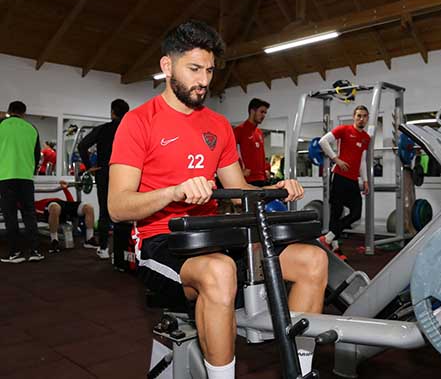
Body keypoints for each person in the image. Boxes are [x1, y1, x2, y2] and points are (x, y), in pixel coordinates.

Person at [108, 20, 328, 379]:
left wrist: (276, 189)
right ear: (167, 66)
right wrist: (174, 191)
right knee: (219, 270)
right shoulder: (138, 122)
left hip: (215, 236)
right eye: (194, 69)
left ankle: (299, 372)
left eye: (209, 71)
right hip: (161, 241)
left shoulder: (218, 125)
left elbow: (239, 190)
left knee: (313, 261)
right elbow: (117, 206)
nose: (204, 80)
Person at [77, 98, 130, 259]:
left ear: (112, 112)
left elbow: (82, 145)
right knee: (125, 211)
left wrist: (89, 166)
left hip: (105, 173)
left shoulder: (102, 129)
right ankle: (123, 251)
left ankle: (104, 248)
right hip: (126, 174)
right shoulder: (131, 129)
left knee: (104, 212)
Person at [318, 105, 371, 260]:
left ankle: (327, 238)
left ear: (367, 118)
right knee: (336, 213)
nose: (361, 119)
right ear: (354, 116)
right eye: (359, 115)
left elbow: (362, 160)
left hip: (353, 180)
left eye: (364, 116)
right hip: (339, 177)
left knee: (356, 213)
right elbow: (323, 141)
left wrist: (365, 180)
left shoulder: (366, 138)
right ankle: (336, 249)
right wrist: (336, 159)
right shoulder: (344, 130)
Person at [0, 101, 44, 263]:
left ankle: (14, 252)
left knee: (10, 215)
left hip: (6, 177)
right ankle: (34, 251)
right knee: (29, 214)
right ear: (24, 113)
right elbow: (37, 155)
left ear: (9, 111)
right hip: (26, 178)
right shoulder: (32, 128)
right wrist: (30, 171)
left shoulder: (1, 125)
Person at [35, 181, 96, 254]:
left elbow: (71, 201)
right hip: (52, 207)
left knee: (89, 207)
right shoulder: (33, 205)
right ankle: (54, 241)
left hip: (63, 204)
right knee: (55, 208)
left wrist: (65, 189)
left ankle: (89, 240)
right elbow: (35, 213)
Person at [233, 98, 271, 187]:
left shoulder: (259, 133)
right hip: (247, 179)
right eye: (261, 112)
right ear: (252, 111)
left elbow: (261, 155)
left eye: (265, 113)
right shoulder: (239, 130)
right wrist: (239, 171)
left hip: (262, 179)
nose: (263, 115)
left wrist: (266, 170)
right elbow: (231, 153)